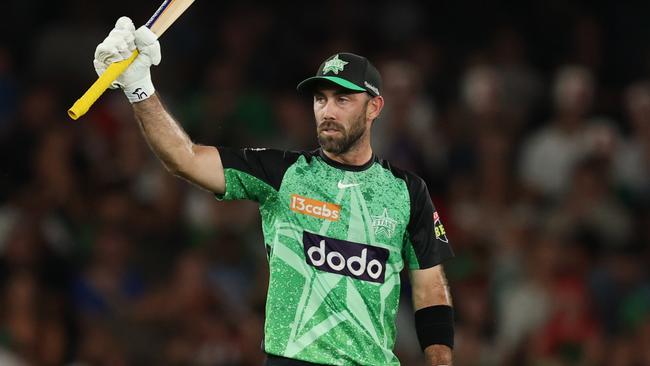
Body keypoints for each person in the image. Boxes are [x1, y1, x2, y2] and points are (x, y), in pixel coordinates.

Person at [93, 17, 455, 365]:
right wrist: (140, 87)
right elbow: (184, 159)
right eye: (320, 99)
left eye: (342, 100)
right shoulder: (282, 173)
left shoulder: (408, 191)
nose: (327, 111)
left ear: (374, 107)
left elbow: (431, 291)